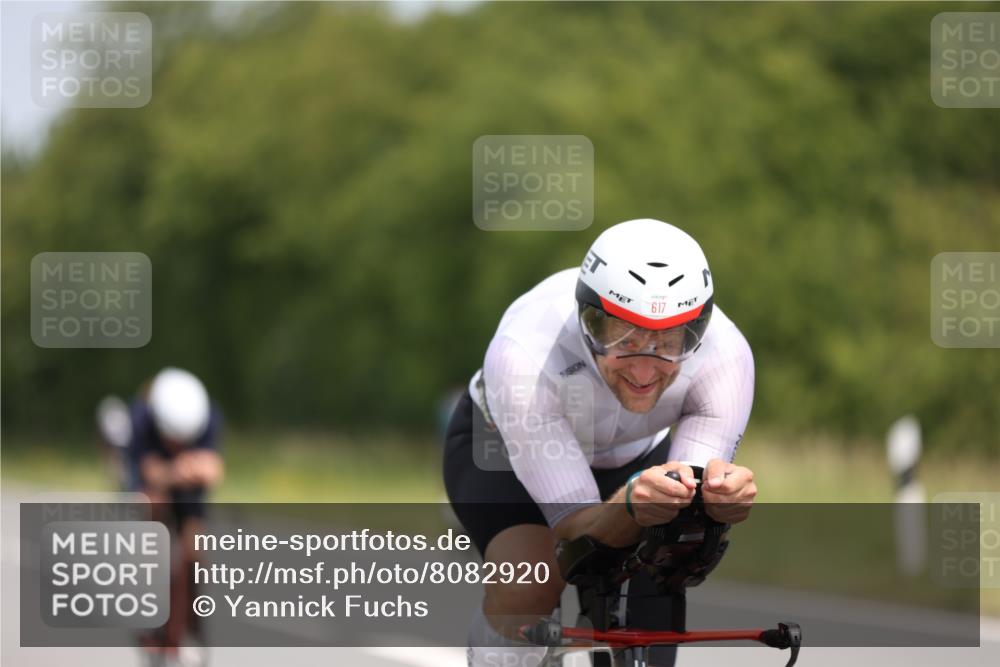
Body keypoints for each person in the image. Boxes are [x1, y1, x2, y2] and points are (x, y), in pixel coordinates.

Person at [443, 219, 758, 667]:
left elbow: (686, 513)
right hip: (502, 454)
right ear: (588, 317)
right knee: (530, 584)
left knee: (658, 575)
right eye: (623, 339)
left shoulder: (725, 356)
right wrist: (630, 506)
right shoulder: (526, 352)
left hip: (636, 455)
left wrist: (718, 500)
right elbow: (571, 527)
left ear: (698, 328)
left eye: (669, 340)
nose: (645, 372)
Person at [128, 367, 224, 666]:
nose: (179, 446)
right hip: (156, 482)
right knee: (151, 511)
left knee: (195, 546)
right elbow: (146, 470)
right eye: (173, 441)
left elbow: (214, 469)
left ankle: (193, 625)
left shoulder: (208, 417)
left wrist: (198, 471)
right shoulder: (141, 416)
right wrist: (172, 473)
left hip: (189, 486)